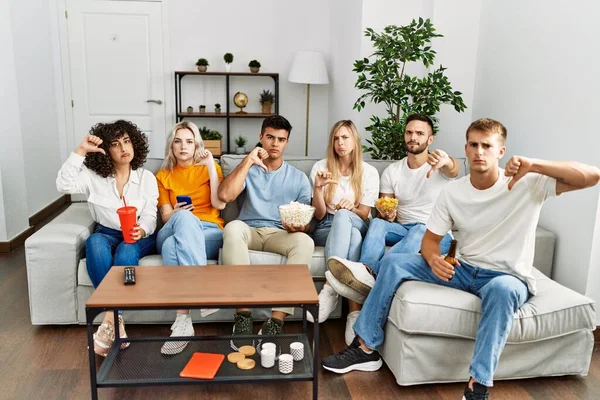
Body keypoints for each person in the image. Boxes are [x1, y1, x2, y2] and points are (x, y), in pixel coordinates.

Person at [321, 118, 600, 400]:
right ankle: (365, 348)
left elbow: (591, 176)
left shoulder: (527, 183)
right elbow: (430, 241)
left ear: (500, 151)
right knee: (394, 262)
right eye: (474, 145)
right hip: (463, 269)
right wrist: (433, 260)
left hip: (506, 277)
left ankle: (477, 385)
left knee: (503, 291)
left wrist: (536, 165)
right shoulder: (453, 192)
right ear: (466, 148)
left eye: (487, 146)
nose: (480, 152)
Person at [324, 114, 459, 342]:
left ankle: (372, 276)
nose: (413, 137)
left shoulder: (439, 165)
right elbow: (384, 209)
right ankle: (366, 272)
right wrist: (387, 213)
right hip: (403, 228)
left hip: (435, 234)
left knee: (420, 231)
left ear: (430, 139)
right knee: (377, 223)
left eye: (419, 133)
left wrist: (446, 162)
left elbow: (454, 169)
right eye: (409, 132)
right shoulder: (392, 171)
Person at [56, 120, 158, 357]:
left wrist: (141, 230)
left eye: (127, 141)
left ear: (135, 144)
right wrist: (81, 150)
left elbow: (152, 214)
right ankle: (115, 319)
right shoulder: (92, 176)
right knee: (94, 242)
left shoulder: (146, 178)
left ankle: (109, 320)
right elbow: (63, 184)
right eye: (115, 144)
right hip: (107, 232)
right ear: (105, 151)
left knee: (125, 251)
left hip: (140, 234)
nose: (124, 147)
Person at [218, 115, 314, 346]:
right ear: (261, 137)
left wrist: (299, 227)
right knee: (232, 228)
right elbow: (224, 196)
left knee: (305, 242)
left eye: (281, 139)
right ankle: (243, 316)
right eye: (270, 137)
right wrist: (248, 161)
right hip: (248, 229)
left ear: (287, 143)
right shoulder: (248, 168)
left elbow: (307, 222)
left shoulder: (298, 178)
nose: (275, 144)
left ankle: (276, 321)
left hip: (280, 233)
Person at [155, 121, 227, 355]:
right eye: (178, 141)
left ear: (196, 144)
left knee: (170, 247)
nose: (183, 146)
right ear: (171, 146)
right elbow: (166, 217)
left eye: (189, 141)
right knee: (184, 219)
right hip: (174, 224)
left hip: (209, 231)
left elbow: (219, 204)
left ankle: (183, 322)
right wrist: (178, 212)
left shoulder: (210, 167)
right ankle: (203, 293)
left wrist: (209, 165)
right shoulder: (164, 175)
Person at [307, 120, 379, 343]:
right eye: (336, 138)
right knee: (353, 237)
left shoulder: (369, 172)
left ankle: (330, 287)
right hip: (326, 226)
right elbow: (318, 216)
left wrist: (351, 208)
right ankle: (353, 311)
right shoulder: (321, 168)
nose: (340, 143)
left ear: (355, 141)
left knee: (346, 220)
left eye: (345, 137)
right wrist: (318, 188)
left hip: (358, 221)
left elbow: (366, 213)